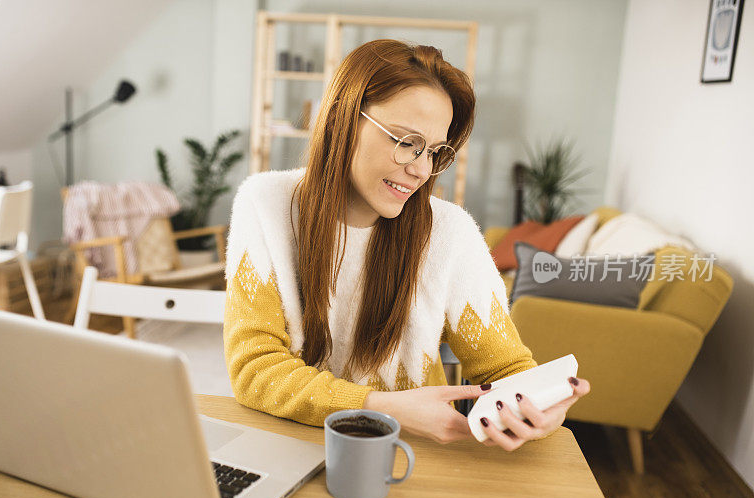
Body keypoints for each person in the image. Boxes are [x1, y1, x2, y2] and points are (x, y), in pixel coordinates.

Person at [223, 39, 590, 451]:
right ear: (343, 118)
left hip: (408, 453)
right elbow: (254, 369)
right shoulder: (266, 205)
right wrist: (380, 407)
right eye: (406, 142)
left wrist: (540, 409)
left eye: (434, 151)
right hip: (291, 442)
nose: (420, 170)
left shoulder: (450, 234)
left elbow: (508, 368)